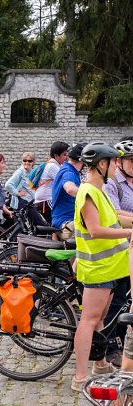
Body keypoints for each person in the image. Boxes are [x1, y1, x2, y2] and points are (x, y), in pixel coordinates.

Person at [71, 142, 131, 392]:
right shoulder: (88, 193)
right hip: (98, 268)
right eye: (114, 162)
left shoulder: (100, 190)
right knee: (88, 320)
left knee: (100, 320)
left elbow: (115, 218)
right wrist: (130, 233)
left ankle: (101, 365)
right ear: (102, 164)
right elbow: (95, 230)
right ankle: (80, 377)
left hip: (109, 267)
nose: (117, 166)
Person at [102, 139, 133, 367]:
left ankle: (123, 342)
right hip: (117, 249)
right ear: (119, 162)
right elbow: (113, 215)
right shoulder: (112, 184)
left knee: (127, 300)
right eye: (132, 161)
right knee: (117, 300)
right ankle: (110, 347)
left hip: (130, 249)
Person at [51, 142, 86, 240]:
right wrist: (91, 195)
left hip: (66, 221)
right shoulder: (68, 172)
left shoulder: (69, 170)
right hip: (67, 223)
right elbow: (70, 188)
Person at [5, 151, 45, 227]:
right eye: (24, 160)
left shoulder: (32, 173)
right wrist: (17, 193)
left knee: (40, 224)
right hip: (21, 202)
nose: (27, 163)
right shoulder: (20, 172)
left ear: (33, 162)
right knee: (19, 227)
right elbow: (8, 185)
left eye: (29, 161)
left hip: (29, 203)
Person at [34, 141, 69, 224]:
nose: (67, 157)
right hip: (46, 200)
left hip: (45, 200)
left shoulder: (56, 165)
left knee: (55, 223)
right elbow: (65, 181)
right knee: (58, 221)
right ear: (56, 156)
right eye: (64, 155)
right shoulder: (52, 166)